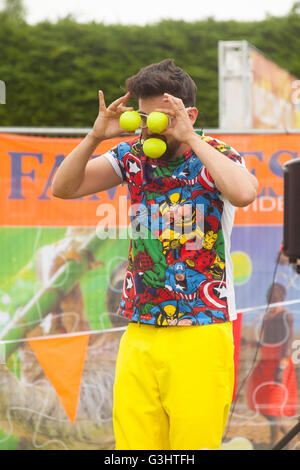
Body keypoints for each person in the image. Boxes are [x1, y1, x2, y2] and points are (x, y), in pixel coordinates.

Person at [52, 59, 258, 450]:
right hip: (141, 328)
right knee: (134, 449)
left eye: (158, 119)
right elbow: (64, 188)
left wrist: (193, 138)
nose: (147, 128)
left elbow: (244, 194)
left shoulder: (217, 154)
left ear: (187, 114)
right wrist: (96, 136)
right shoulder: (132, 157)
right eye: (141, 117)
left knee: (193, 447)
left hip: (201, 328)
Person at [246, 283, 298, 447]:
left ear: (281, 297)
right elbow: (265, 342)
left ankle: (275, 442)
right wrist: (249, 343)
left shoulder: (285, 315)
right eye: (268, 294)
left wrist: (281, 368)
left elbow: (287, 343)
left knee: (272, 407)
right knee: (262, 405)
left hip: (278, 366)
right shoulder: (267, 316)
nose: (270, 297)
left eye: (273, 295)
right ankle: (287, 438)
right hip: (265, 365)